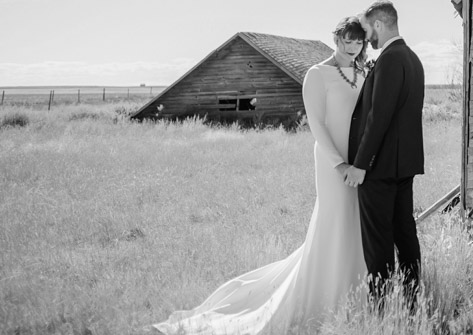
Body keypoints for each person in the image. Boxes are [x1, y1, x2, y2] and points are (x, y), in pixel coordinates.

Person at [154, 18, 370, 335]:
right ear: (336, 39)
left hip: (358, 159)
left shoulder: (363, 73)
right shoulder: (317, 74)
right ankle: (321, 295)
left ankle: (356, 292)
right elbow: (317, 126)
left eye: (358, 43)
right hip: (331, 161)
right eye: (347, 41)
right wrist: (339, 165)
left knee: (356, 221)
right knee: (334, 219)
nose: (352, 48)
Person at [344, 0, 426, 307]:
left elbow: (379, 117)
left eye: (367, 30)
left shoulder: (390, 59)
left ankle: (379, 308)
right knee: (405, 235)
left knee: (378, 242)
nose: (367, 38)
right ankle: (411, 302)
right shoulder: (413, 59)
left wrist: (361, 165)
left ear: (379, 24)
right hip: (403, 166)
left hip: (380, 170)